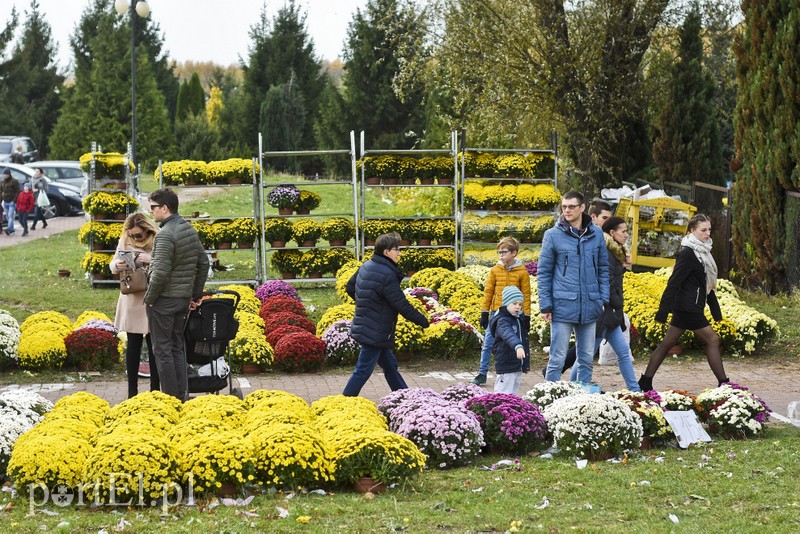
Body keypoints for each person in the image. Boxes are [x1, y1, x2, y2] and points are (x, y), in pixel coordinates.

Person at [638, 214, 727, 392]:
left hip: (689, 306)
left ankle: (645, 381)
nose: (708, 233)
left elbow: (707, 285)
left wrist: (716, 313)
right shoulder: (688, 253)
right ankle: (724, 383)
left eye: (709, 230)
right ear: (692, 231)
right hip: (688, 308)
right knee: (713, 340)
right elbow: (674, 282)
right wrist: (662, 312)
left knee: (667, 343)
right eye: (703, 230)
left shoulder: (703, 252)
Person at [558, 217, 640, 391]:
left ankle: (635, 390)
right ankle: (573, 388)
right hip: (602, 314)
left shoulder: (615, 251)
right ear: (612, 233)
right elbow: (608, 283)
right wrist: (618, 303)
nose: (626, 235)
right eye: (623, 231)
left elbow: (614, 279)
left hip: (610, 315)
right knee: (584, 358)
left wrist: (624, 267)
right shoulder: (607, 252)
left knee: (623, 354)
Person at [343, 232, 430, 396]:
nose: (399, 253)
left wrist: (368, 303)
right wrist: (423, 321)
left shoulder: (367, 265)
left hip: (372, 326)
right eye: (396, 249)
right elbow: (401, 304)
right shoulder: (387, 275)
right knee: (363, 370)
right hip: (375, 330)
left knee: (390, 366)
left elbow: (350, 288)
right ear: (386, 252)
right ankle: (344, 401)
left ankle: (404, 396)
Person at [144, 188, 209, 402]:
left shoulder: (165, 235)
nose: (150, 211)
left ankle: (171, 400)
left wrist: (150, 299)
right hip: (182, 300)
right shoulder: (188, 229)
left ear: (164, 208)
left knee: (162, 350)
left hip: (164, 301)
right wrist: (195, 294)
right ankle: (182, 395)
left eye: (153, 207)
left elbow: (160, 273)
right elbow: (203, 262)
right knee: (176, 347)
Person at [538, 191, 609, 383]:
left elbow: (603, 268)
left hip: (590, 305)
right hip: (562, 306)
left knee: (586, 360)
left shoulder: (596, 234)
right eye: (564, 207)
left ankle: (581, 400)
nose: (567, 210)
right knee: (557, 359)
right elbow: (544, 272)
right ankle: (549, 399)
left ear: (582, 207)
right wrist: (545, 305)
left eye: (571, 206)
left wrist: (603, 298)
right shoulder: (552, 235)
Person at [111, 213, 161, 399]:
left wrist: (148, 259)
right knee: (133, 345)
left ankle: (155, 390)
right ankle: (132, 392)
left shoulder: (159, 237)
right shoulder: (125, 238)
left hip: (152, 295)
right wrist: (119, 264)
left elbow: (167, 264)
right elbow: (112, 264)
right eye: (131, 235)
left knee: (154, 344)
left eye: (138, 235)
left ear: (147, 230)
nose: (134, 238)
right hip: (132, 295)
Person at [472, 236, 531, 385]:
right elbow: (488, 292)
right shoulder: (494, 270)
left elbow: (526, 295)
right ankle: (482, 372)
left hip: (515, 314)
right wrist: (484, 312)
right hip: (496, 313)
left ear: (514, 253)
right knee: (488, 343)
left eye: (504, 252)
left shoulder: (522, 272)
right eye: (499, 252)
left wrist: (527, 315)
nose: (501, 255)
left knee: (514, 342)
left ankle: (517, 368)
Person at [490, 286, 530, 395]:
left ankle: (510, 411)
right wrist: (518, 346)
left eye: (520, 304)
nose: (518, 307)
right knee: (502, 393)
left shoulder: (517, 319)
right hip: (506, 364)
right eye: (514, 303)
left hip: (516, 364)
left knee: (513, 394)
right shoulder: (502, 320)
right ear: (506, 303)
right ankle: (497, 410)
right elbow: (509, 334)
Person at [1, 168, 20, 235]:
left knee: (10, 215)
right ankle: (12, 230)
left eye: (6, 174)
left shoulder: (14, 181)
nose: (5, 175)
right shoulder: (2, 182)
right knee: (7, 217)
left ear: (9, 174)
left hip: (12, 202)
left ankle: (9, 229)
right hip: (5, 201)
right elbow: (1, 191)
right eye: (4, 174)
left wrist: (14, 201)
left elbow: (18, 192)